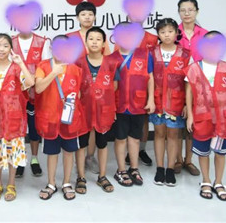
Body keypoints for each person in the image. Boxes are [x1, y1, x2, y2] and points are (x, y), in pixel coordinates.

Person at [185, 31, 226, 201]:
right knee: (203, 152)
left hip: (224, 119)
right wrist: (190, 116)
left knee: (220, 152)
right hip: (202, 118)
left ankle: (219, 182)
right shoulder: (194, 68)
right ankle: (206, 180)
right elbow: (189, 94)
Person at [0, 34, 35, 201]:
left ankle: (11, 184)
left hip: (14, 119)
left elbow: (30, 82)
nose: (1, 49)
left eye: (5, 46)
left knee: (13, 152)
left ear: (11, 49)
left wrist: (21, 63)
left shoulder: (16, 69)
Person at [35, 36, 84, 201]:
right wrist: (54, 73)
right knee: (52, 153)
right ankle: (51, 183)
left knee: (69, 152)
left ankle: (66, 183)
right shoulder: (43, 66)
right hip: (49, 119)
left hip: (69, 120)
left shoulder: (75, 69)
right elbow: (38, 88)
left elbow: (78, 94)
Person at [65, 1, 110, 175]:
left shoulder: (100, 36)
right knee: (80, 123)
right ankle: (77, 159)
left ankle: (89, 157)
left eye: (90, 14)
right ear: (77, 17)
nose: (87, 17)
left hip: (97, 91)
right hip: (77, 88)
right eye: (83, 14)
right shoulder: (70, 37)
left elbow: (108, 63)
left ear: (95, 17)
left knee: (94, 125)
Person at [74, 27, 119, 194]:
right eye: (91, 39)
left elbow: (114, 86)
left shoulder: (111, 63)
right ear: (85, 42)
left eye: (98, 39)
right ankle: (81, 177)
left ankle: (102, 176)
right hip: (83, 111)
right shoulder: (78, 63)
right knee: (81, 145)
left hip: (103, 111)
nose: (94, 42)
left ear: (104, 43)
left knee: (102, 144)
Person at [112, 22, 155, 187]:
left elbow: (150, 78)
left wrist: (151, 100)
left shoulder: (145, 55)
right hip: (119, 105)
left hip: (139, 104)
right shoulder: (112, 58)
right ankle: (121, 170)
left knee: (135, 139)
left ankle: (134, 168)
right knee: (120, 139)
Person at [149, 18, 191, 186]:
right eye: (162, 32)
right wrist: (150, 99)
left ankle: (170, 169)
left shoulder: (185, 54)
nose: (166, 35)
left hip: (176, 102)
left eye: (170, 31)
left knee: (173, 135)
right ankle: (160, 168)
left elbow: (189, 82)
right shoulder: (152, 52)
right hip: (157, 101)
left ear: (176, 33)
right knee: (159, 134)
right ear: (158, 34)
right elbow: (149, 77)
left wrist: (187, 104)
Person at [11, 28, 51, 178]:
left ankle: (34, 159)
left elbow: (46, 66)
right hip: (15, 94)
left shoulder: (43, 42)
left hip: (36, 93)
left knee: (34, 127)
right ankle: (20, 161)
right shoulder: (10, 42)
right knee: (18, 128)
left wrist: (32, 80)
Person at [176, 0, 208, 176]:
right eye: (183, 10)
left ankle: (189, 160)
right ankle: (177, 160)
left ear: (197, 11)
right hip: (175, 84)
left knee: (191, 124)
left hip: (197, 85)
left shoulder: (205, 35)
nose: (186, 13)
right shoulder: (173, 33)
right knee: (175, 125)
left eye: (190, 10)